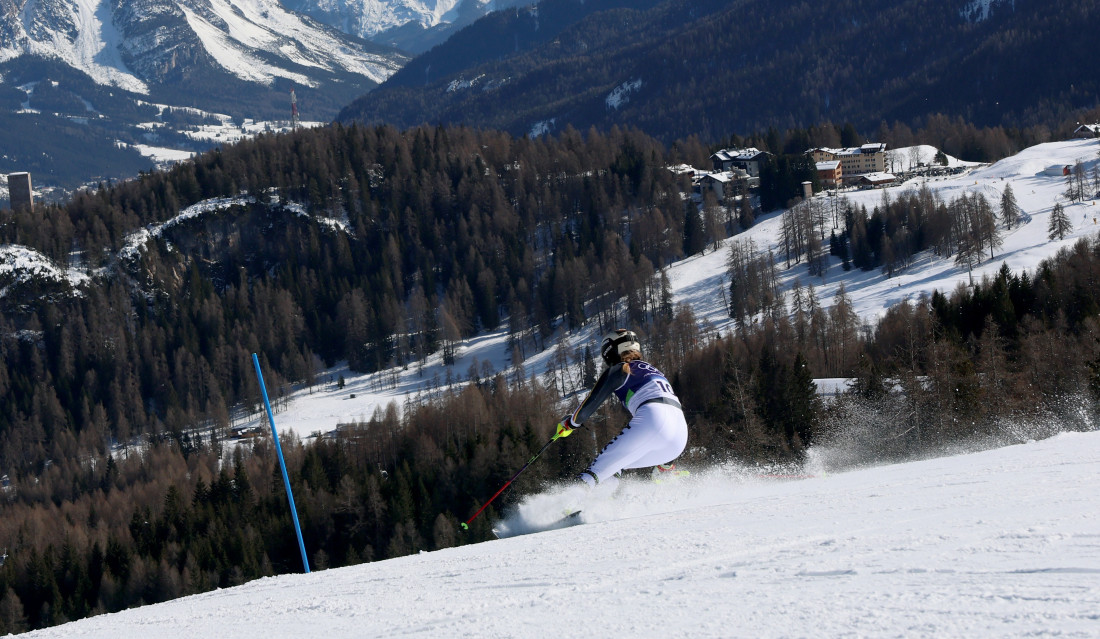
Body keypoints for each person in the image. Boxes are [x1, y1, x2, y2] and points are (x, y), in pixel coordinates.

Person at [555, 329, 688, 491]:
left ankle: (568, 500)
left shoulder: (622, 368)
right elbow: (666, 418)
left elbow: (591, 402)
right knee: (616, 464)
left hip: (653, 418)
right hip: (678, 436)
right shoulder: (653, 370)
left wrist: (571, 423)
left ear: (610, 351)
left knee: (598, 467)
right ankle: (663, 471)